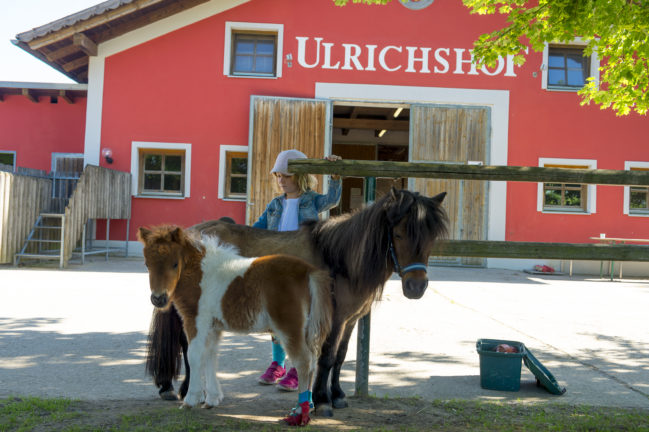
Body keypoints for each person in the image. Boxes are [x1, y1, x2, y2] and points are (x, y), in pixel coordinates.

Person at [253, 149, 342, 397]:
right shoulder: (274, 204)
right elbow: (257, 229)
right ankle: (277, 365)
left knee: (298, 319)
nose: (282, 181)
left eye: (287, 176)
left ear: (301, 177)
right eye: (279, 176)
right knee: (275, 318)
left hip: (302, 267)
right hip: (276, 266)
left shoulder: (312, 200)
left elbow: (332, 200)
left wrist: (335, 175)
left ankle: (296, 367)